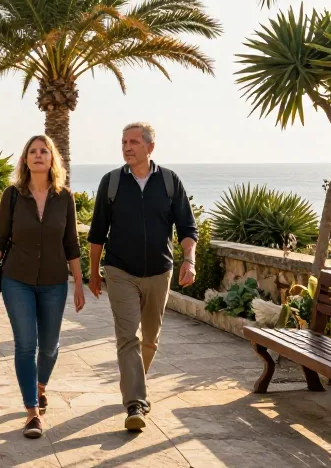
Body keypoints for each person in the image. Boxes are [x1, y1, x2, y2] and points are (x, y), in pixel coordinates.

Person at [87, 122, 197, 432]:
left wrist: (189, 261)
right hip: (120, 270)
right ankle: (135, 402)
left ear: (150, 147)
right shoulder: (111, 182)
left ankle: (133, 382)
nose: (127, 147)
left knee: (150, 339)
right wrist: (93, 271)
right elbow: (97, 232)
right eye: (124, 142)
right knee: (128, 337)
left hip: (160, 271)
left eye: (134, 142)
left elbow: (187, 228)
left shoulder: (170, 182)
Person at [0, 135, 84, 439]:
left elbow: (71, 243)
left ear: (52, 159)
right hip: (17, 279)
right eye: (33, 151)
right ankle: (32, 412)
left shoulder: (65, 197)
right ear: (25, 159)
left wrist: (79, 283)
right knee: (26, 344)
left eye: (44, 151)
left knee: (50, 346)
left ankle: (40, 386)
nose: (38, 155)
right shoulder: (13, 195)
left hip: (54, 281)